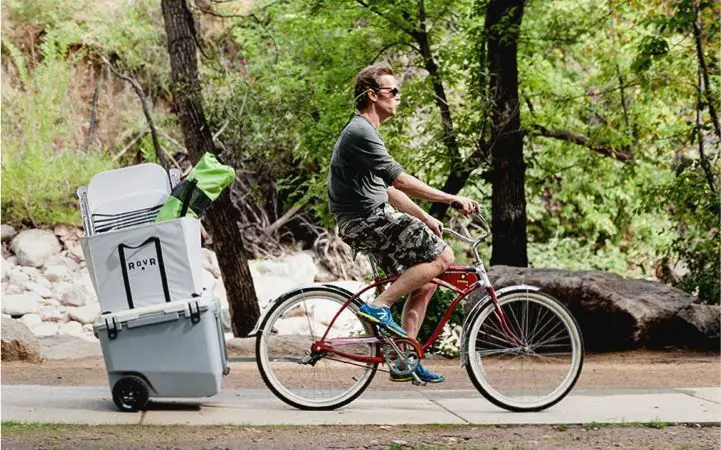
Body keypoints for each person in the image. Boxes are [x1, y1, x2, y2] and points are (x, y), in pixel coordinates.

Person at [327, 64, 480, 383]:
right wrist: (451, 198)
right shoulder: (361, 132)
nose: (398, 97)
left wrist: (425, 217)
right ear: (372, 95)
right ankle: (379, 305)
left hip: (369, 218)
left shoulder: (366, 134)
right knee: (443, 257)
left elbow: (390, 191)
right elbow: (403, 181)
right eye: (392, 91)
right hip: (366, 221)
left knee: (424, 283)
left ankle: (405, 359)